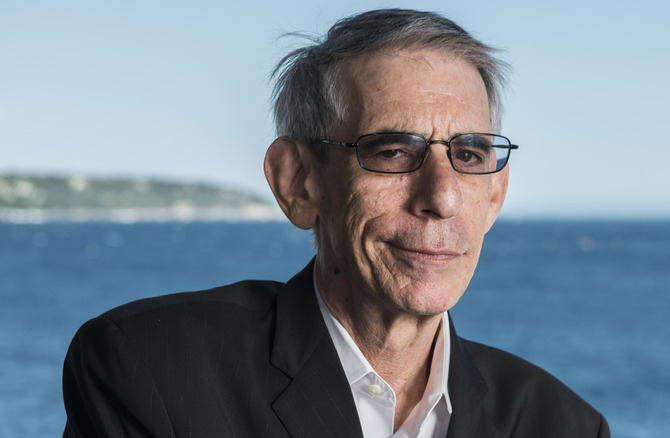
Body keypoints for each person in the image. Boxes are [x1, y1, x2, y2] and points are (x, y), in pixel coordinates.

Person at [62, 8, 609, 438]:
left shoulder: (563, 425)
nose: (442, 197)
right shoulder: (153, 371)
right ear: (298, 182)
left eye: (468, 156)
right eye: (394, 151)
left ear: (495, 196)